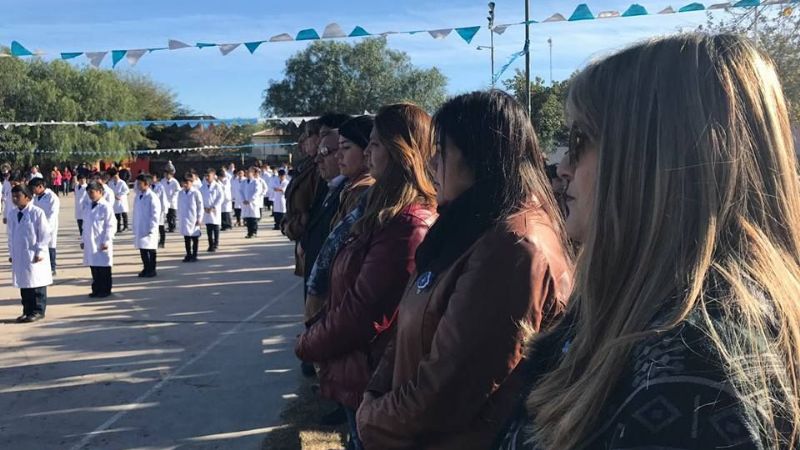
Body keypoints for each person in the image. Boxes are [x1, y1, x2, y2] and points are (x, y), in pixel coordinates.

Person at [496, 34, 800, 450]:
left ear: (653, 162)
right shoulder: (640, 306)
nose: (562, 167)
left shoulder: (698, 375)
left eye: (580, 140)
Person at [355, 91, 573, 450]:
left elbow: (449, 388)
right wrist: (376, 392)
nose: (431, 163)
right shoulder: (468, 226)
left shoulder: (513, 247)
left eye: (442, 150)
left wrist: (372, 418)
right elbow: (408, 327)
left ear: (481, 154)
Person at [296, 103, 439, 449]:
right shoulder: (377, 210)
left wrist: (310, 343)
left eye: (375, 144)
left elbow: (366, 313)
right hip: (358, 369)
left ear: (399, 151)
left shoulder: (407, 224)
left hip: (373, 374)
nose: (369, 153)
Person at [8, 184, 52, 323]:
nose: (15, 199)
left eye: (18, 196)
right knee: (24, 284)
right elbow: (10, 235)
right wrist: (11, 252)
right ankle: (27, 310)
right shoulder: (13, 214)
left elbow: (45, 234)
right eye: (13, 196)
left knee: (36, 284)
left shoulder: (37, 212)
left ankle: (38, 311)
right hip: (20, 254)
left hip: (35, 254)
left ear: (27, 197)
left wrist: (40, 251)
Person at [332, 115, 375, 226]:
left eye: (346, 147)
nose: (338, 155)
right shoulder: (352, 188)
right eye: (338, 148)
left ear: (367, 149)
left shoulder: (365, 191)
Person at [81, 181, 116, 298]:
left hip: (101, 242)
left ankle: (105, 290)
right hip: (90, 242)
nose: (90, 195)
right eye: (88, 193)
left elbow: (111, 225)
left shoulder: (106, 207)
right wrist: (83, 240)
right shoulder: (88, 207)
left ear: (100, 192)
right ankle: (96, 289)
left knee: (103, 268)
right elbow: (85, 225)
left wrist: (106, 240)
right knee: (94, 267)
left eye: (92, 192)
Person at [30, 178, 60, 276]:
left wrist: (46, 227)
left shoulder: (52, 197)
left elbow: (53, 214)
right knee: (40, 246)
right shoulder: (35, 197)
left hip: (49, 226)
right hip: (37, 226)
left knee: (50, 245)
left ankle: (52, 267)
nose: (33, 190)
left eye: (34, 188)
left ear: (40, 186)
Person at [132, 174, 161, 278]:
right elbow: (135, 212)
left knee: (150, 249)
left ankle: (152, 269)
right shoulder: (138, 196)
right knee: (142, 249)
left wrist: (152, 228)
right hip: (140, 226)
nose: (138, 186)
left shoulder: (152, 197)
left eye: (140, 183)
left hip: (148, 227)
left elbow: (155, 214)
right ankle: (146, 268)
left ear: (147, 184)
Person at [178, 173, 203, 262]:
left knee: (194, 238)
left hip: (194, 218)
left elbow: (200, 206)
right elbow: (180, 206)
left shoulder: (196, 192)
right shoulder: (181, 193)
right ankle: (188, 254)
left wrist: (199, 218)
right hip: (184, 218)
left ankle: (194, 254)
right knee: (186, 238)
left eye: (187, 183)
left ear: (191, 183)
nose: (185, 185)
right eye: (184, 183)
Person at [200, 168, 223, 251]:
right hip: (206, 210)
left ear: (213, 176)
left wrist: (214, 207)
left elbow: (220, 197)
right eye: (205, 176)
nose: (207, 177)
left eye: (208, 176)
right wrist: (204, 207)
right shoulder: (202, 187)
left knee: (215, 227)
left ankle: (216, 243)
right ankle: (210, 244)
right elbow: (200, 198)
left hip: (214, 210)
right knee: (208, 228)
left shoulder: (217, 186)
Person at [240, 167, 263, 239]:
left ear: (252, 173)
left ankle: (254, 232)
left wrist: (250, 200)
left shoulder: (256, 182)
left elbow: (257, 192)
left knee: (253, 219)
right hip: (245, 202)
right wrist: (243, 199)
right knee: (248, 219)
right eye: (246, 173)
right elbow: (240, 191)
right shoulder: (243, 182)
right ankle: (249, 232)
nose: (247, 174)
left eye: (249, 173)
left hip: (253, 203)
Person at [107, 168, 130, 233]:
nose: (114, 177)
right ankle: (118, 227)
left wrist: (119, 195)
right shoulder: (110, 183)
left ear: (118, 174)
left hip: (121, 200)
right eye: (113, 176)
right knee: (117, 215)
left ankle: (126, 226)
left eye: (115, 176)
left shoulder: (122, 182)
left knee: (124, 214)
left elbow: (127, 191)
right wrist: (114, 196)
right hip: (114, 200)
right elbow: (109, 191)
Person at [151, 173, 169, 249]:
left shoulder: (160, 186)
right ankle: (154, 241)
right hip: (151, 209)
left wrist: (164, 209)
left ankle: (162, 241)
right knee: (153, 226)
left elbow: (163, 198)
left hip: (160, 209)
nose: (152, 179)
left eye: (153, 177)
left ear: (157, 178)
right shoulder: (149, 186)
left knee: (161, 226)